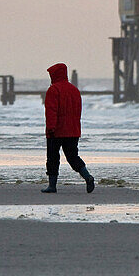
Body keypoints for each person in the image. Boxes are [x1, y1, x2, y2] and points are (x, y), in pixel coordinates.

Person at [42, 62, 94, 193]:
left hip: (57, 130)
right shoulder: (74, 90)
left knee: (53, 158)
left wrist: (50, 128)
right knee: (73, 157)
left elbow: (51, 111)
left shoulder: (53, 90)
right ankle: (87, 176)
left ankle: (52, 186)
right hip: (73, 130)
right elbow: (78, 111)